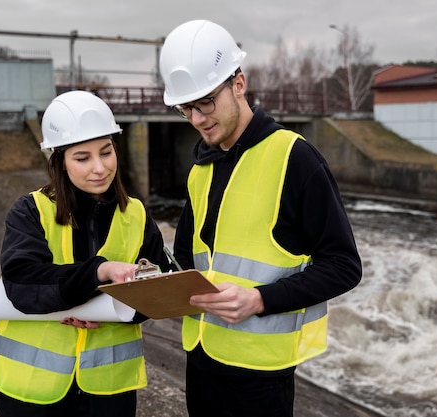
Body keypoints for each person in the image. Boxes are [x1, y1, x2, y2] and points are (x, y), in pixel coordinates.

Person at [159, 20, 362, 417]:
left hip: (260, 377)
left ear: (239, 84)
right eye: (187, 109)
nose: (198, 119)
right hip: (201, 360)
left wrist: (259, 299)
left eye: (206, 103)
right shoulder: (201, 169)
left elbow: (343, 266)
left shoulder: (295, 158)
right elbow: (186, 257)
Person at [0, 90, 170, 417]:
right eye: (82, 158)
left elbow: (162, 288)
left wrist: (111, 308)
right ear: (59, 161)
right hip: (33, 392)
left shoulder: (137, 215)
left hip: (109, 391)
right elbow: (22, 283)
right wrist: (97, 274)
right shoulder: (31, 211)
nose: (99, 168)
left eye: (106, 152)